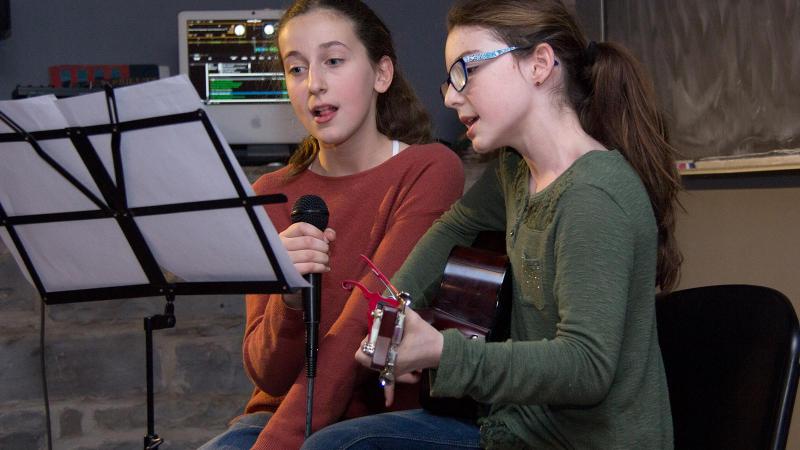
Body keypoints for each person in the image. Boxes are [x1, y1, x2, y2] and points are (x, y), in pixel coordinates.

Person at [302, 0, 683, 448]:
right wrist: (392, 309)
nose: (449, 95)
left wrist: (444, 352)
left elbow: (587, 367)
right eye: (449, 78)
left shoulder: (593, 195)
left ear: (539, 64)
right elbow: (454, 228)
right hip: (513, 429)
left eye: (466, 70)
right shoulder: (516, 171)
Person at [198, 1, 464, 449]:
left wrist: (276, 445)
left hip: (384, 421)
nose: (314, 85)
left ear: (382, 74)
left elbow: (365, 323)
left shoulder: (430, 169)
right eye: (296, 69)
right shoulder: (272, 192)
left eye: (333, 61)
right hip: (282, 412)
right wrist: (289, 300)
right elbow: (267, 374)